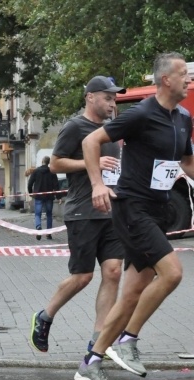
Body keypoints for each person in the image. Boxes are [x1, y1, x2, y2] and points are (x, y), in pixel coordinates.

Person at [78, 53, 194, 380]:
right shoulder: (141, 113)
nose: (188, 79)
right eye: (183, 74)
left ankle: (91, 362)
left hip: (157, 210)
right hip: (132, 208)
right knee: (172, 273)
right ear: (165, 80)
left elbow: (187, 161)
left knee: (130, 295)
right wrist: (99, 183)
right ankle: (128, 340)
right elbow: (91, 141)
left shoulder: (183, 117)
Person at [29, 76, 125, 363]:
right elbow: (56, 163)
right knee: (83, 276)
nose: (112, 102)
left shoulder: (112, 128)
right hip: (83, 211)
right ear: (90, 97)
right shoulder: (75, 127)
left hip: (111, 210)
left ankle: (99, 341)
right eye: (107, 97)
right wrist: (91, 163)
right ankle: (45, 316)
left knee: (113, 272)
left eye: (114, 98)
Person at [27, 156, 60, 240]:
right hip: (49, 196)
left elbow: (30, 183)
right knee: (49, 214)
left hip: (38, 196)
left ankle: (38, 228)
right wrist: (58, 196)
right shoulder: (52, 172)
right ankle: (48, 233)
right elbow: (56, 185)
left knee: (38, 214)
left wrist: (31, 193)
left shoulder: (36, 171)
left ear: (42, 161)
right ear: (49, 162)